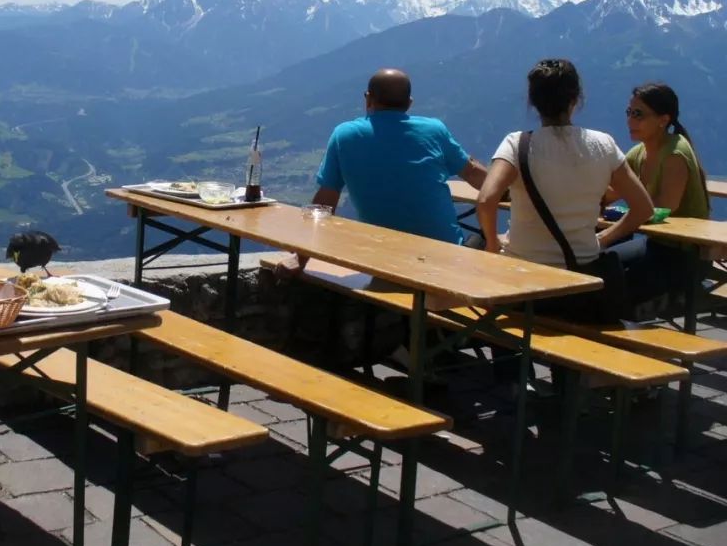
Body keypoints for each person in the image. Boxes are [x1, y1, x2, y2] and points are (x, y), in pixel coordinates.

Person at [274, 68, 488, 367]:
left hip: (385, 263)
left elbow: (324, 204)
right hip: (445, 263)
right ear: (410, 104)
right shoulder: (435, 131)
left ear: (367, 99)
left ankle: (422, 343)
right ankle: (459, 343)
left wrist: (301, 258)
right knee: (491, 240)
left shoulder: (345, 135)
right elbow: (479, 179)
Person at [477, 59, 653, 318]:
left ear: (533, 101)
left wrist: (492, 246)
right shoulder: (603, 144)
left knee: (499, 325)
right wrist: (602, 239)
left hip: (523, 279)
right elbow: (643, 208)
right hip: (583, 278)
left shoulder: (517, 144)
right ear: (576, 99)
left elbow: (485, 200)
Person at [619, 83, 711, 313]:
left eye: (638, 114)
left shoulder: (675, 154)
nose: (630, 120)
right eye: (629, 112)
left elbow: (663, 208)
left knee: (615, 284)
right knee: (600, 263)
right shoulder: (640, 152)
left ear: (663, 120)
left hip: (685, 256)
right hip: (655, 245)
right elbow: (610, 191)